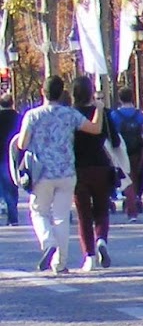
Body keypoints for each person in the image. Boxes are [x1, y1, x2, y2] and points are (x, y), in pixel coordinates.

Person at [15, 76, 103, 273]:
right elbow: (95, 129)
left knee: (39, 211)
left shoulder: (33, 115)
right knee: (62, 217)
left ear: (42, 92)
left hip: (41, 173)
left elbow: (22, 144)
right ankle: (60, 263)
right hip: (66, 171)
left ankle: (48, 241)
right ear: (62, 92)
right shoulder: (69, 114)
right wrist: (99, 107)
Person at [71, 76, 116, 271]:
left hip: (78, 167)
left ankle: (88, 255)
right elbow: (115, 140)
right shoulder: (104, 113)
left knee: (83, 213)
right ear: (91, 92)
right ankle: (101, 240)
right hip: (101, 165)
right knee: (101, 209)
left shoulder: (71, 115)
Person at [111, 88, 143, 222]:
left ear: (120, 99)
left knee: (125, 177)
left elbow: (111, 135)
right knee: (138, 175)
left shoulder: (115, 115)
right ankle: (136, 197)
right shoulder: (138, 115)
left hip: (122, 151)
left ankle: (128, 200)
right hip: (136, 150)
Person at [0, 93, 19, 226]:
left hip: (1, 156)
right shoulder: (19, 118)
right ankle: (13, 216)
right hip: (14, 157)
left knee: (4, 187)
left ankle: (9, 211)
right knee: (13, 186)